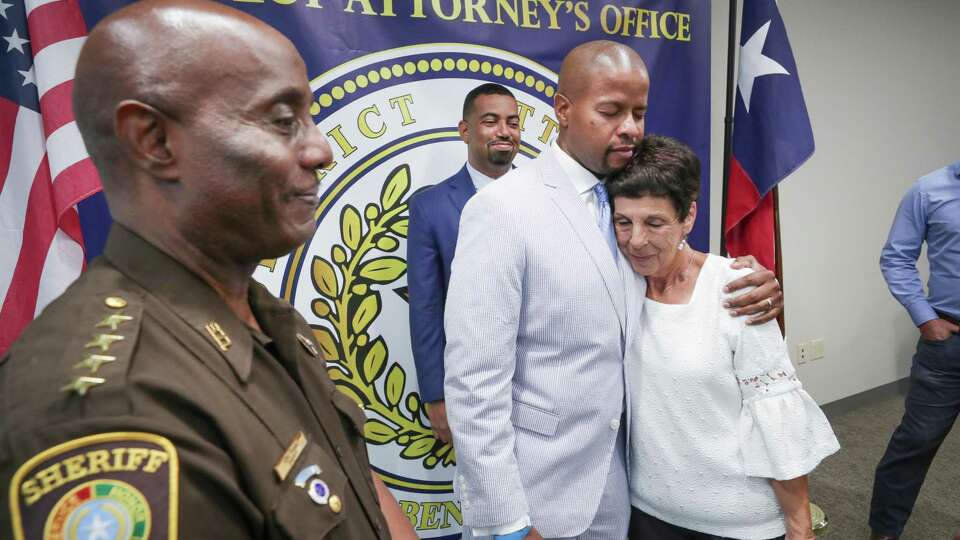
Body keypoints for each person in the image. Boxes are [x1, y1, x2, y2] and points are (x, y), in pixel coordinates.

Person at [0, 1, 416, 538]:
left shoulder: (271, 323)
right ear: (154, 141)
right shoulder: (111, 414)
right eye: (284, 122)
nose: (320, 149)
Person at [443, 40, 784, 540]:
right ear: (563, 110)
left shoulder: (628, 195)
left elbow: (672, 272)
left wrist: (745, 277)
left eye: (639, 112)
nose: (630, 127)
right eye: (611, 111)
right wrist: (507, 522)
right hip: (539, 494)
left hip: (627, 487)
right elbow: (475, 385)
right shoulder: (503, 210)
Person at [608, 135, 839, 540]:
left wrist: (799, 526)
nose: (636, 240)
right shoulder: (618, 283)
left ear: (688, 216)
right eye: (623, 222)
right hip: (646, 510)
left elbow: (774, 414)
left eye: (655, 223)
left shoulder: (737, 290)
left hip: (738, 520)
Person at [407, 83, 520, 444]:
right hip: (472, 389)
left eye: (513, 122)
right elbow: (426, 306)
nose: (504, 131)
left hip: (545, 387)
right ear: (465, 130)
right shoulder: (430, 208)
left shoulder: (550, 197)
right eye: (491, 121)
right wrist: (436, 395)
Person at [869, 161, 960, 540]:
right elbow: (896, 256)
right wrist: (925, 318)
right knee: (916, 442)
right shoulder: (928, 190)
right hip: (948, 344)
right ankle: (885, 531)